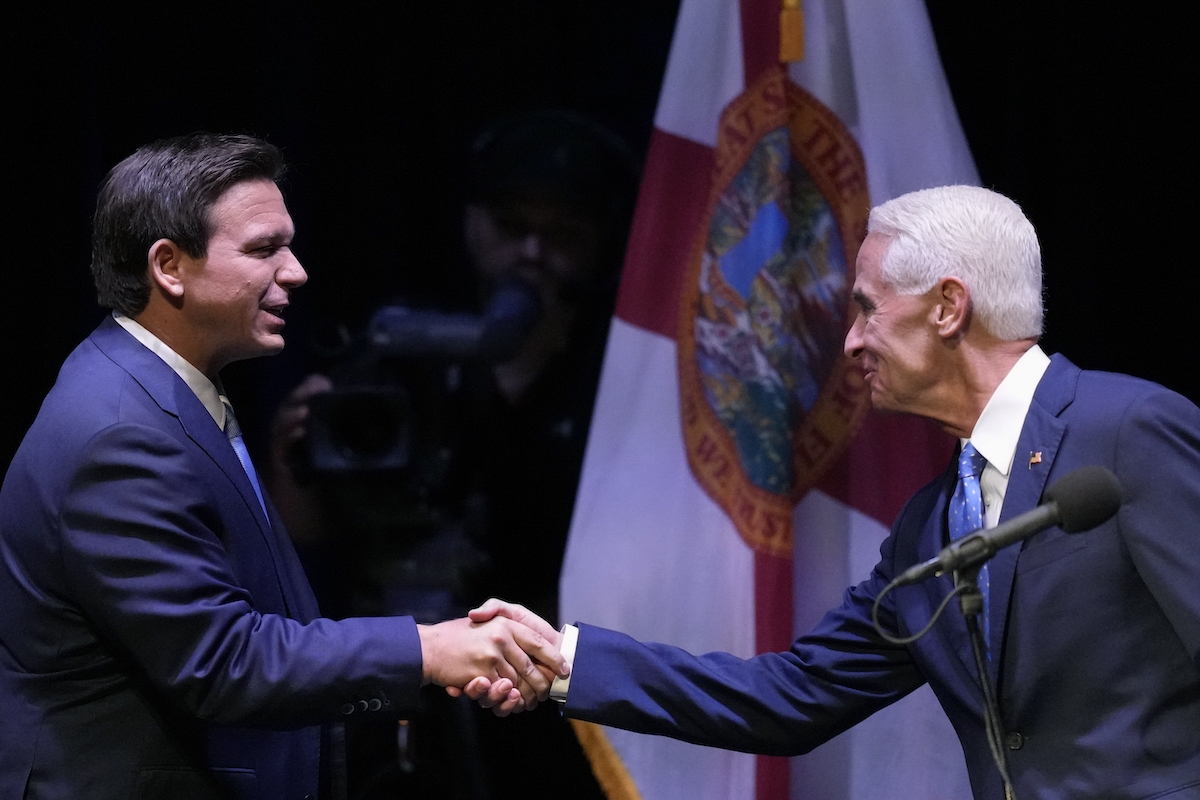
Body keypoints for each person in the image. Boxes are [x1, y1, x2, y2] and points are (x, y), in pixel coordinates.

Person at [465, 185, 1200, 799]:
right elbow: (788, 697)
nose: (849, 341)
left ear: (948, 307)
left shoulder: (1128, 431)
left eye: (866, 307)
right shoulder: (932, 525)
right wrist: (561, 661)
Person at [0, 133, 564, 800]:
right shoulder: (121, 433)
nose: (295, 271)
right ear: (169, 266)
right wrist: (428, 649)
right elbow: (222, 662)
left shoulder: (162, 389)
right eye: (265, 249)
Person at [267, 109, 633, 799]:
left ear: (599, 242)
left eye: (560, 234)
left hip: (553, 700)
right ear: (471, 222)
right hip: (405, 683)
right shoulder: (402, 353)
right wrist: (294, 455)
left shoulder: (620, 373)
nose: (531, 253)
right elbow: (307, 532)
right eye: (510, 226)